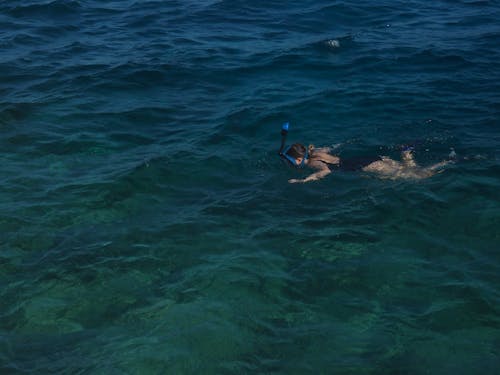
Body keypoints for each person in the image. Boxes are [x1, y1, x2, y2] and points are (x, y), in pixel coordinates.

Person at [278, 123, 454, 183]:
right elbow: (331, 147)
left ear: (300, 159)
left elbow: (325, 171)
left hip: (366, 166)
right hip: (368, 159)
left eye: (290, 161)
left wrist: (304, 180)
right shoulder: (315, 152)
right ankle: (406, 152)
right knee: (408, 168)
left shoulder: (312, 163)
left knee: (418, 177)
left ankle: (449, 161)